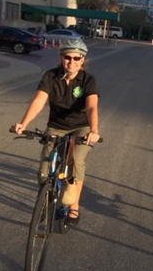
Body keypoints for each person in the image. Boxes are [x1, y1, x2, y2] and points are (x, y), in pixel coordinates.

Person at [12, 39, 99, 226]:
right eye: (68, 57)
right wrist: (23, 123)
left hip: (81, 127)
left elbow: (91, 107)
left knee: (77, 160)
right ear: (61, 58)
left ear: (83, 60)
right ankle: (45, 201)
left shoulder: (87, 80)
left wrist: (93, 130)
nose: (72, 61)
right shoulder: (50, 76)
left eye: (77, 58)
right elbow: (39, 100)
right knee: (45, 168)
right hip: (56, 125)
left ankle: (74, 206)